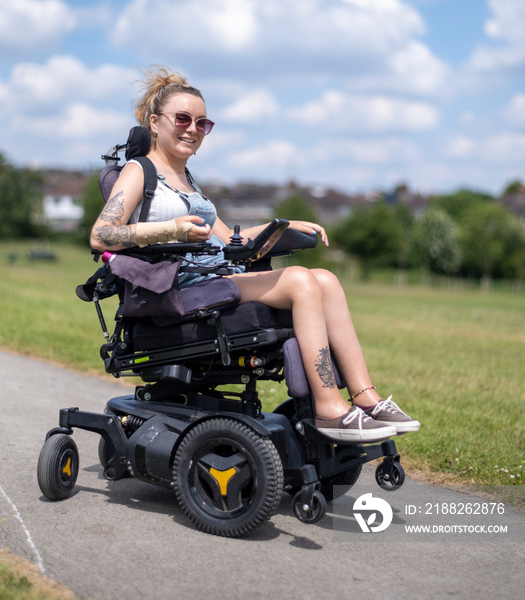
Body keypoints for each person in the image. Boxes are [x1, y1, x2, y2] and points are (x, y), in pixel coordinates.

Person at [91, 67, 420, 443]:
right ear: (155, 122)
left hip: (212, 277)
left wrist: (281, 227)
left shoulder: (188, 180)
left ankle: (366, 398)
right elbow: (101, 235)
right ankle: (330, 408)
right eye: (182, 119)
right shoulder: (139, 171)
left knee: (325, 279)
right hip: (174, 290)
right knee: (298, 279)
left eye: (202, 123)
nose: (192, 129)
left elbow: (226, 240)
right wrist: (172, 229)